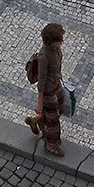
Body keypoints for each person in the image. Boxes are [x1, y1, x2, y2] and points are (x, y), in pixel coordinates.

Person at [24, 22, 65, 157]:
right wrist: (40, 103)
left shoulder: (56, 48)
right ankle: (51, 145)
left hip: (56, 85)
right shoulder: (44, 56)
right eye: (59, 40)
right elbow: (41, 82)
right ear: (50, 41)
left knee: (59, 110)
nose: (62, 42)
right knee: (53, 122)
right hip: (48, 91)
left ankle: (35, 120)